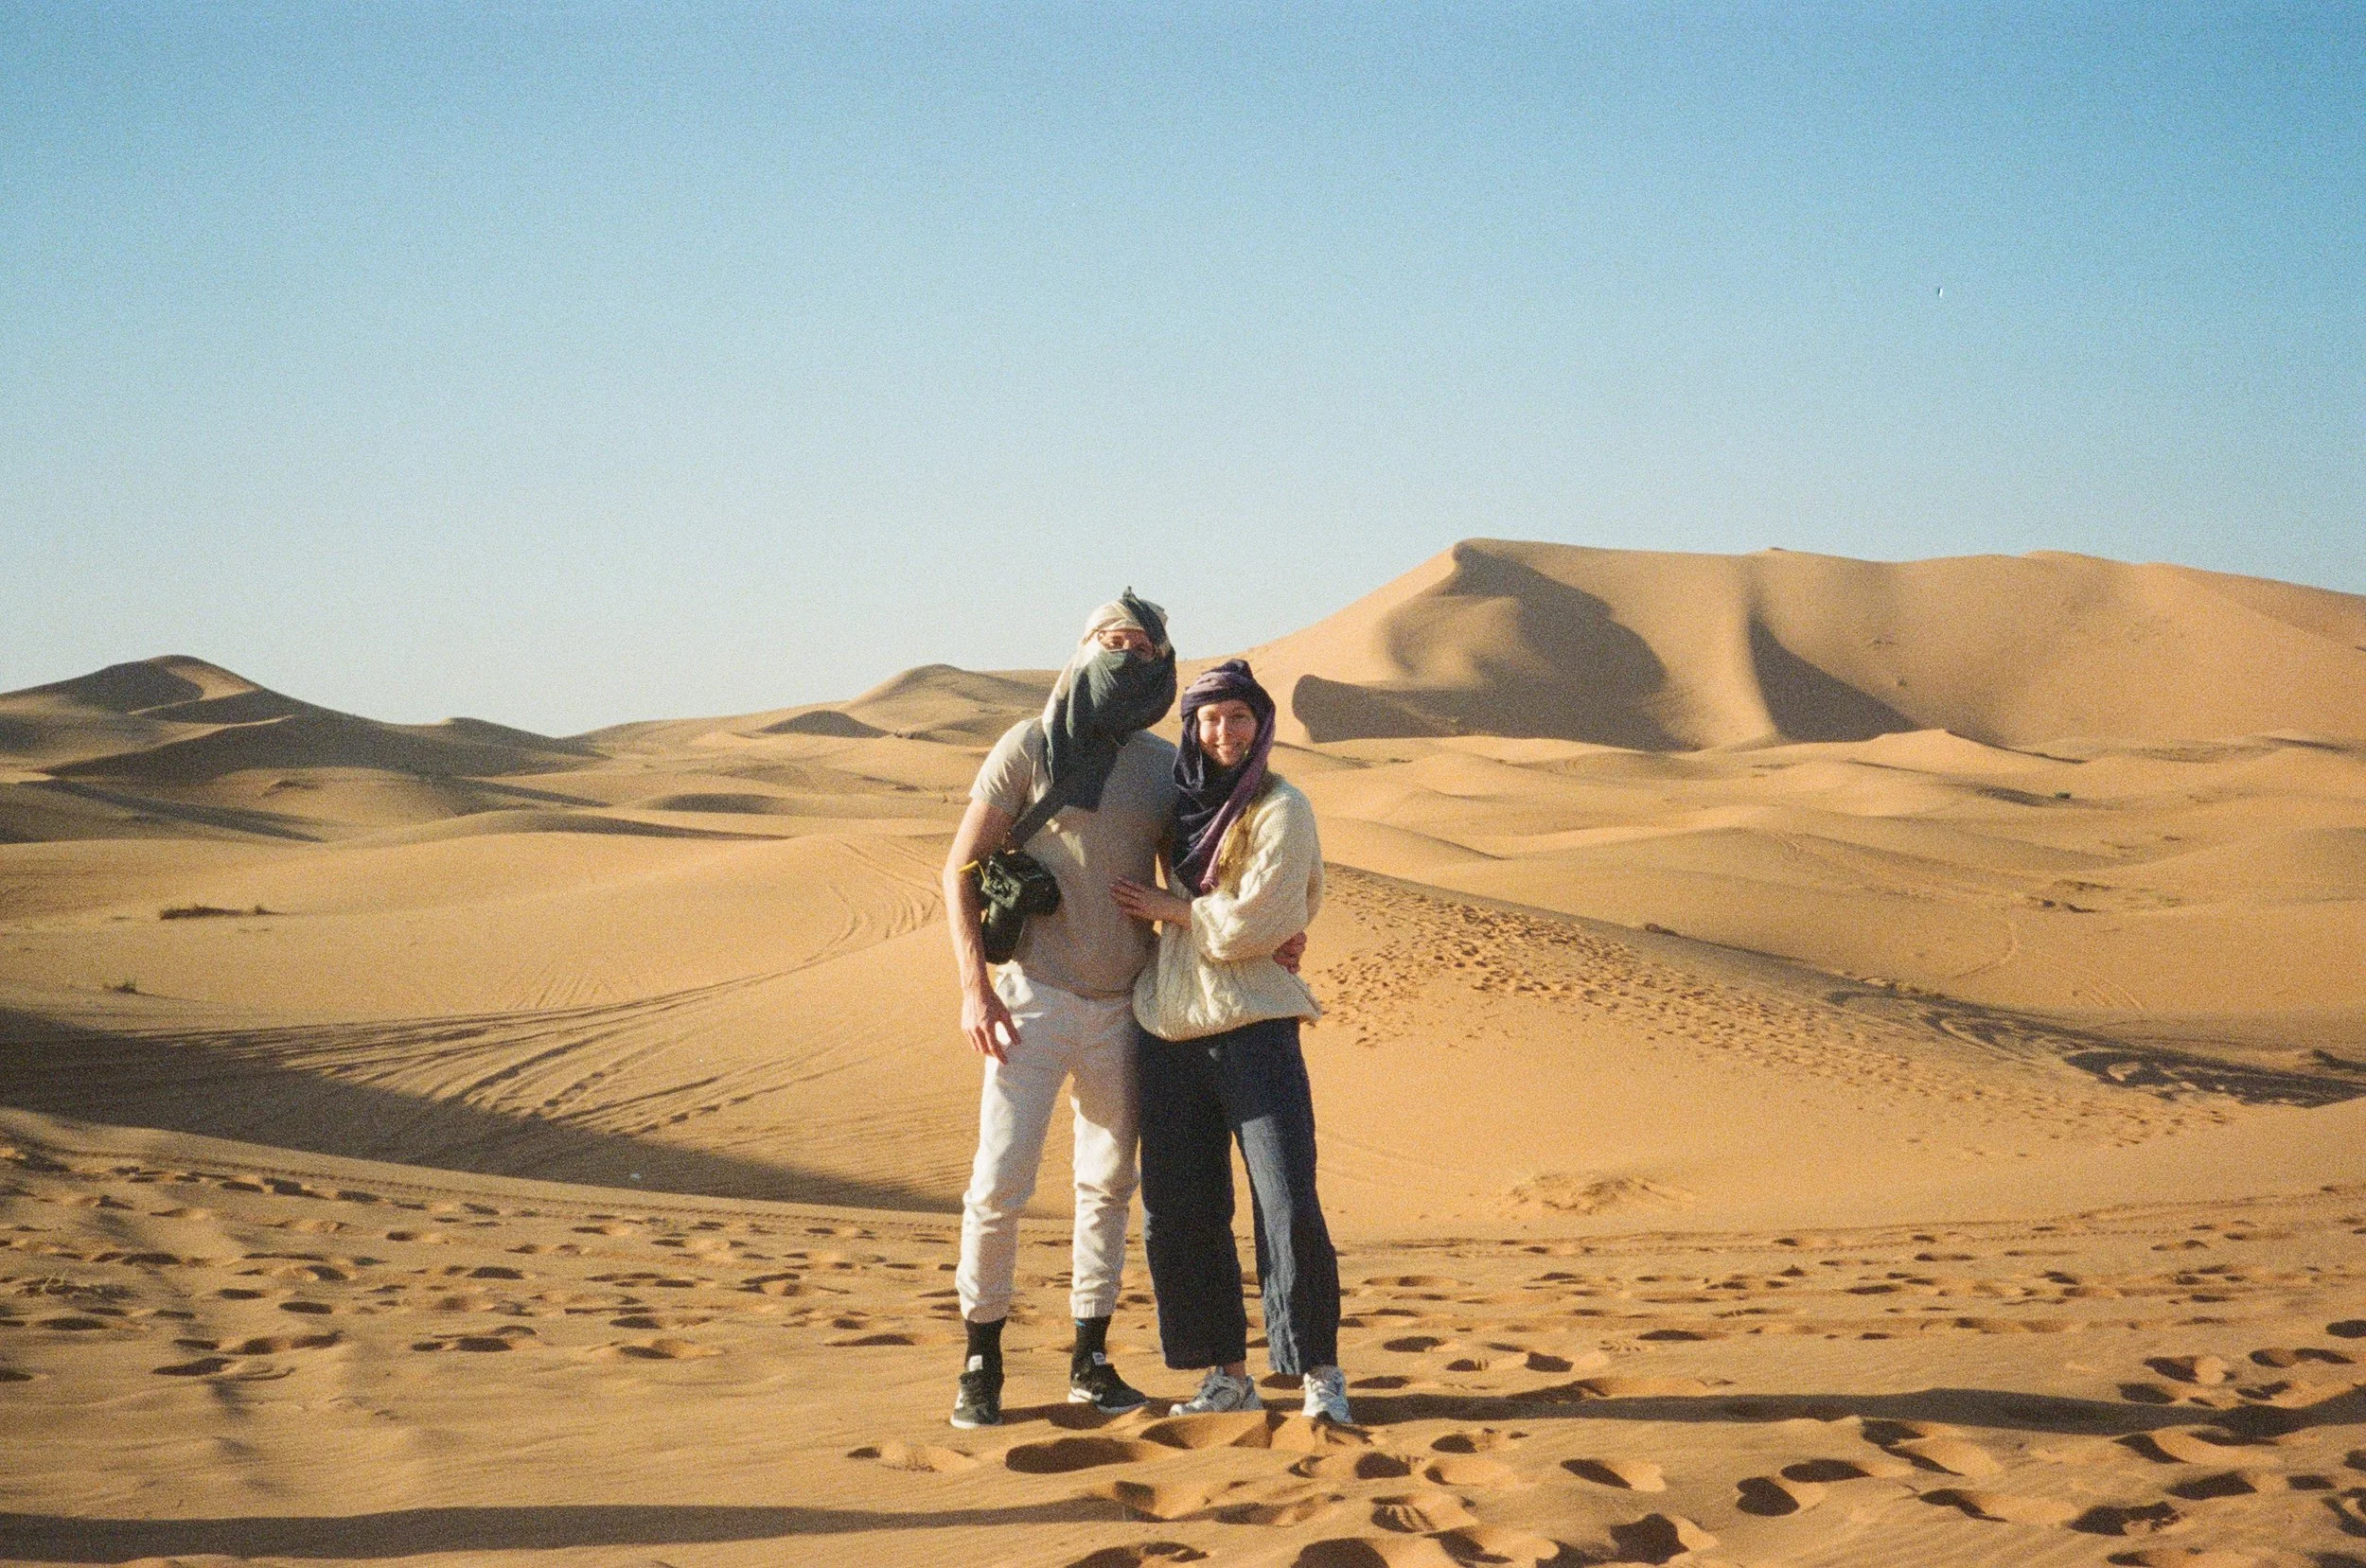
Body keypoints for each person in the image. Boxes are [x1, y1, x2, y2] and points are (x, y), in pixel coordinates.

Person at [940, 591, 1179, 1430]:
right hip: (1030, 1001)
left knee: (1109, 1184)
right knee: (999, 1184)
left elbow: (1209, 858)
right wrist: (974, 988)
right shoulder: (1029, 745)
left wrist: (1272, 925)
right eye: (1112, 640)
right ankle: (982, 1357)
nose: (1128, 654)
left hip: (1124, 1005)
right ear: (1080, 651)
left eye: (1144, 646)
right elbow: (958, 869)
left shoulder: (1161, 764)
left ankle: (1091, 1356)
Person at [1111, 659, 1351, 1426]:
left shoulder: (1284, 807)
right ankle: (1225, 1374)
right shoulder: (1173, 807)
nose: (1223, 732)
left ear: (1262, 724)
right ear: (1192, 727)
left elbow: (1257, 920)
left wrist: (1171, 909)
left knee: (1286, 1201)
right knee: (1180, 1211)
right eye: (1209, 719)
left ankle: (1319, 1371)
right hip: (1168, 1028)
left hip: (1256, 1030)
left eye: (1238, 717)